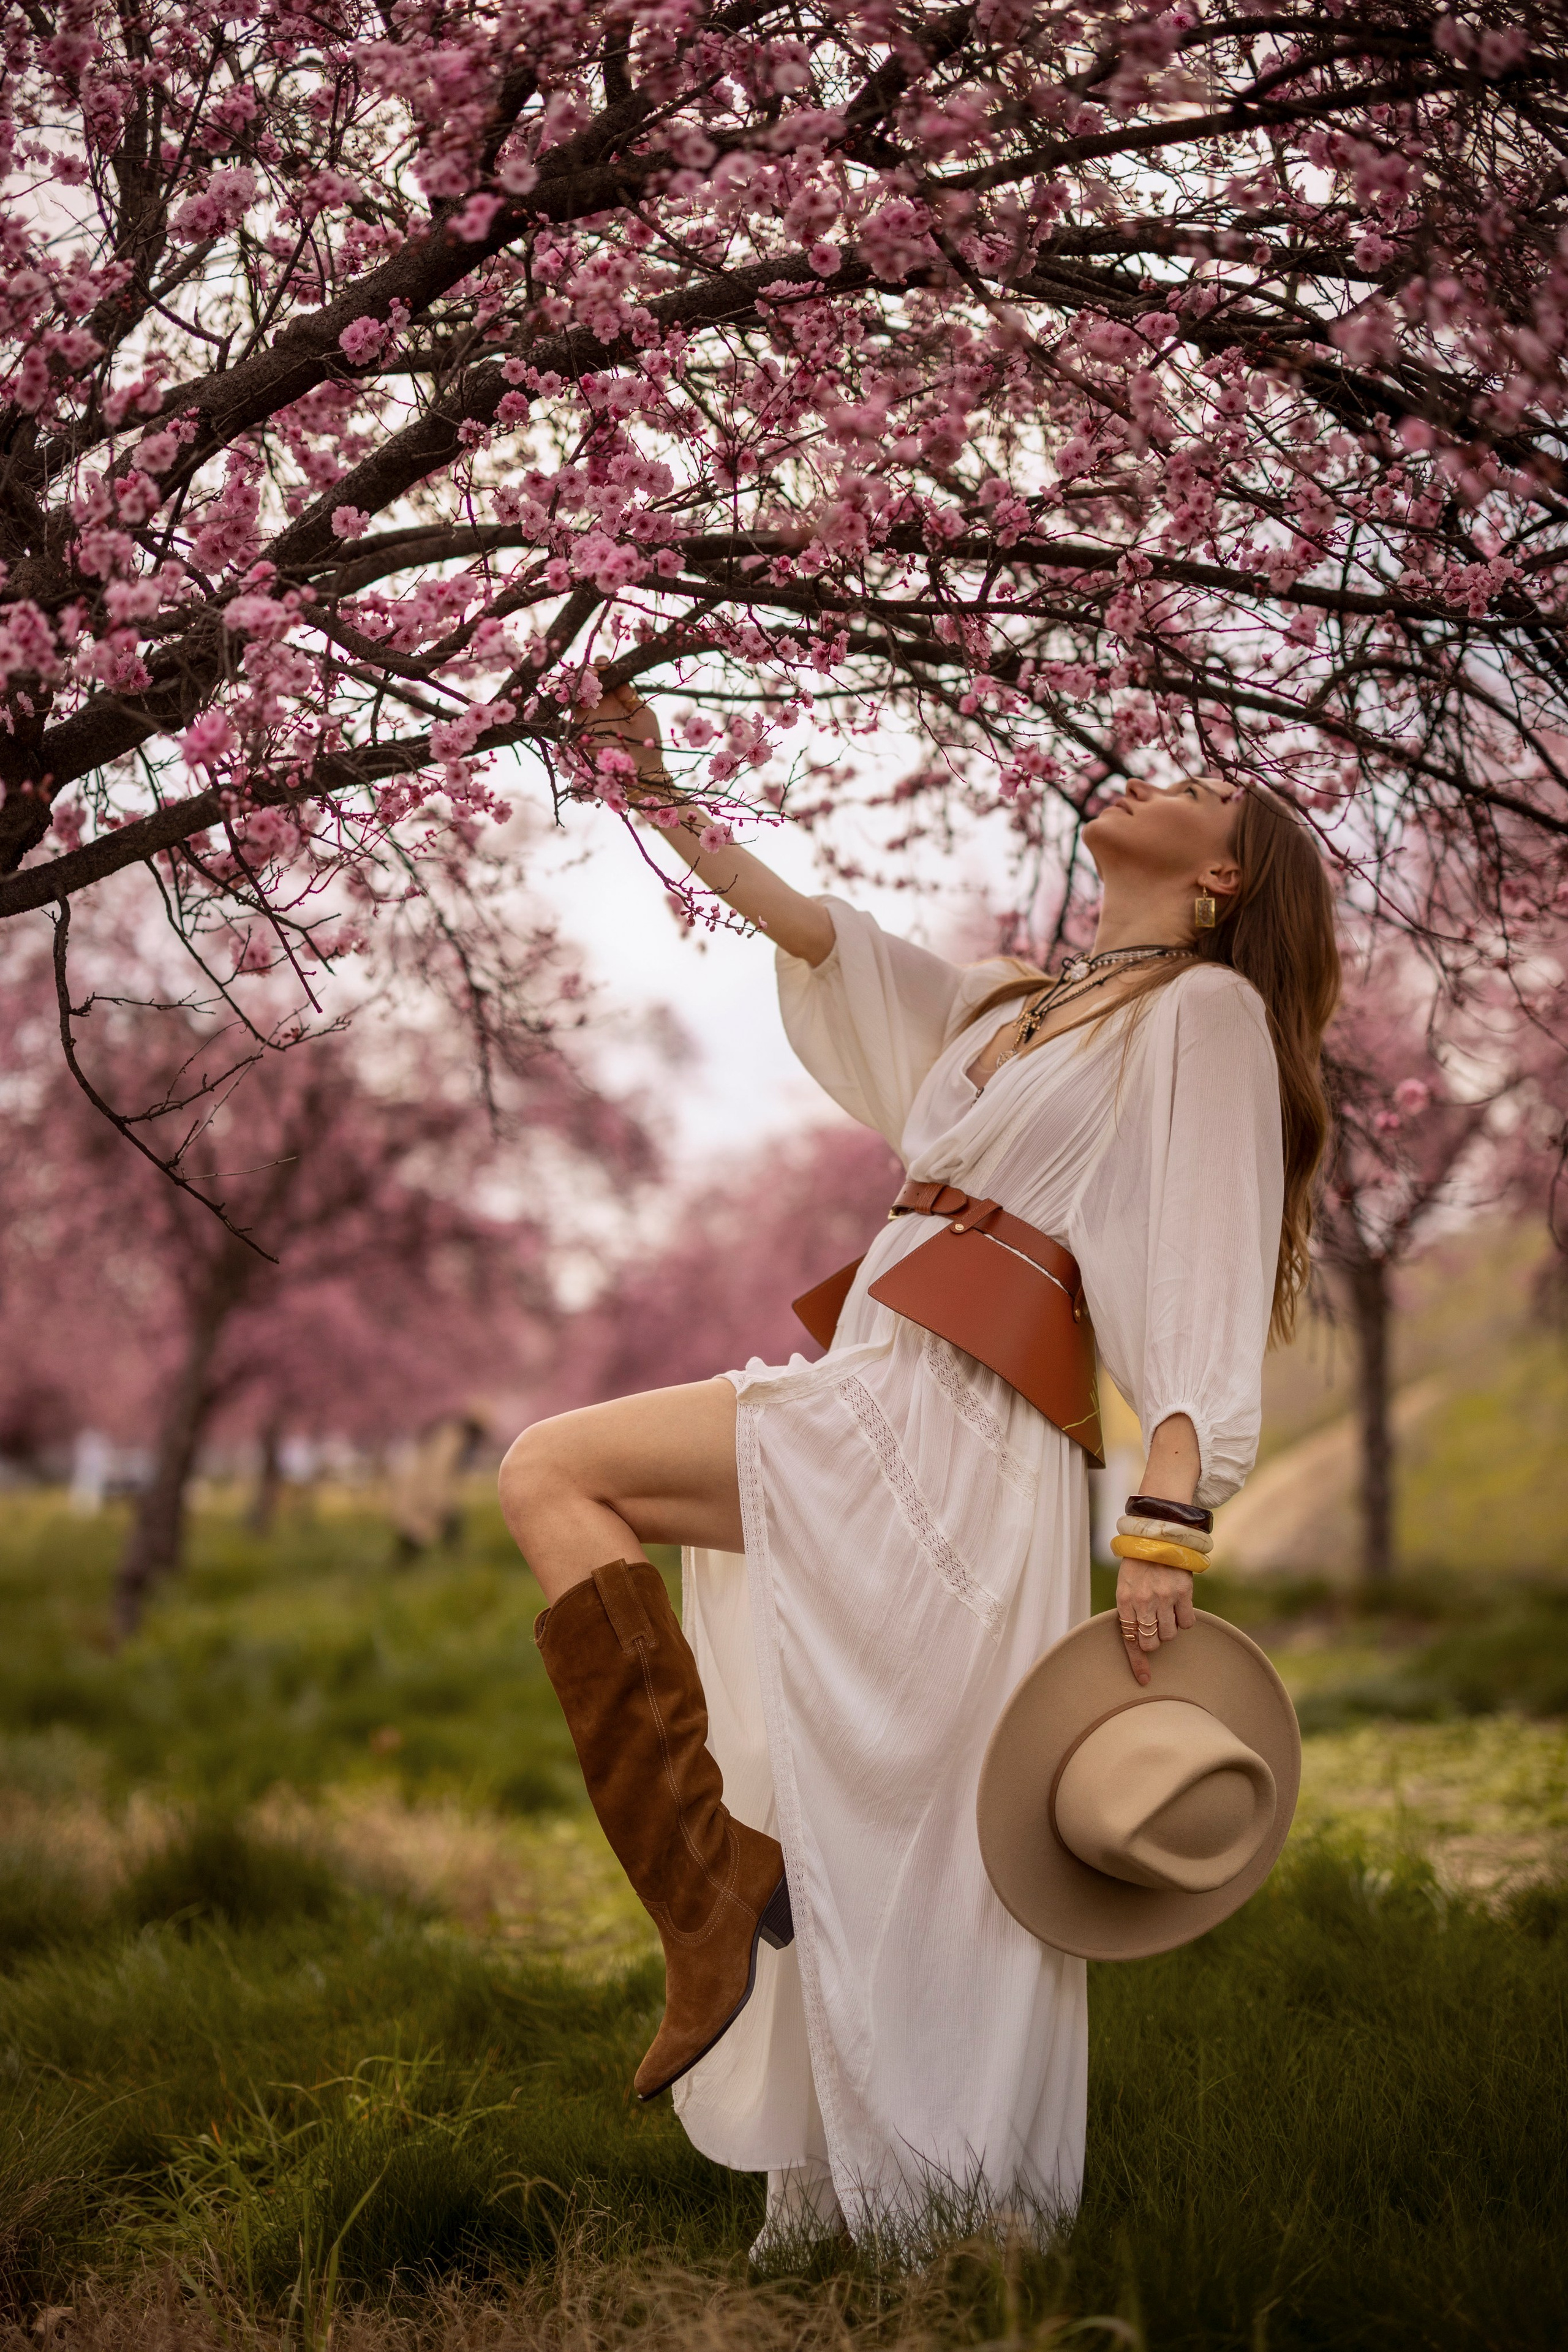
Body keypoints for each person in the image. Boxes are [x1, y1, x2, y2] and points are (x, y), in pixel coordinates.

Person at [499, 684, 1340, 2251]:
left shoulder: (1202, 1018)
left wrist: (1169, 1515)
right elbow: (818, 939)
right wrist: (655, 789)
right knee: (568, 1490)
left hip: (967, 1431)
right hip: (874, 1382)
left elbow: (1205, 1265)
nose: (1153, 770)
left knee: (565, 1476)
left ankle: (812, 2016)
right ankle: (716, 1887)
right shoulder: (1014, 1004)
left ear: (1221, 876)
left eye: (1201, 788)